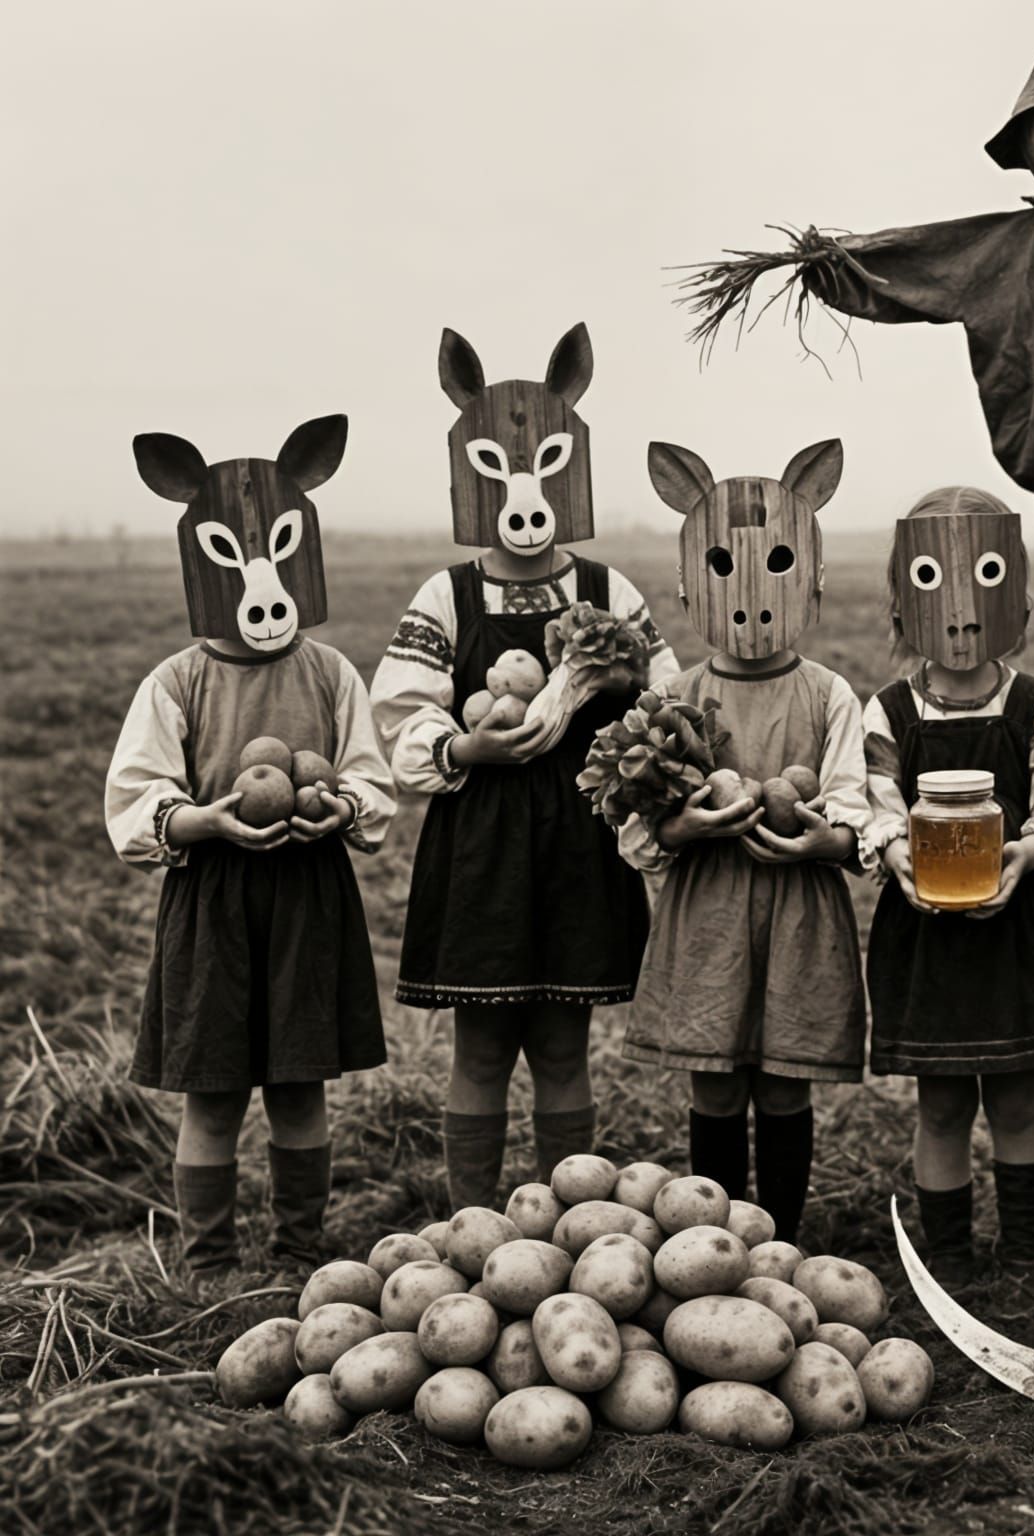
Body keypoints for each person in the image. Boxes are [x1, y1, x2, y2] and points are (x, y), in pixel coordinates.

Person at [371, 325, 677, 1207]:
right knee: (480, 1047)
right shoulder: (449, 593)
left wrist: (622, 689)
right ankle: (472, 1220)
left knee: (562, 1045)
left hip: (581, 833)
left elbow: (666, 694)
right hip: (485, 838)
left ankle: (565, 1222)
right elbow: (403, 710)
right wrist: (464, 747)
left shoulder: (609, 591)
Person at [107, 416, 395, 1276]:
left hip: (308, 895)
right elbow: (136, 796)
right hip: (213, 900)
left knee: (300, 1086)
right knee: (214, 1095)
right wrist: (203, 820)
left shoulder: (330, 673)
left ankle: (299, 1248)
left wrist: (339, 809)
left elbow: (370, 778)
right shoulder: (177, 681)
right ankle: (208, 1265)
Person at [619, 438, 869, 1247]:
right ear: (691, 584)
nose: (753, 598)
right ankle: (716, 1245)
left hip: (799, 909)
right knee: (717, 1083)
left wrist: (821, 841)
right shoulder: (674, 696)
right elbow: (640, 826)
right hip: (710, 912)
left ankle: (780, 1244)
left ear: (812, 584)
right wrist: (686, 825)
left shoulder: (828, 694)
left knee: (786, 1083)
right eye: (724, 570)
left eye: (779, 569)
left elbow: (855, 807)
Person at [862, 487, 1034, 1301]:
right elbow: (876, 806)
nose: (959, 621)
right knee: (944, 1106)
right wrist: (898, 858)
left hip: (1016, 931)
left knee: (1019, 1103)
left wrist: (1031, 851)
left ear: (1014, 602)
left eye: (983, 587)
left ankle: (1025, 1256)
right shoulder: (888, 713)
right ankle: (950, 1260)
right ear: (903, 605)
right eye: (933, 590)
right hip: (930, 938)